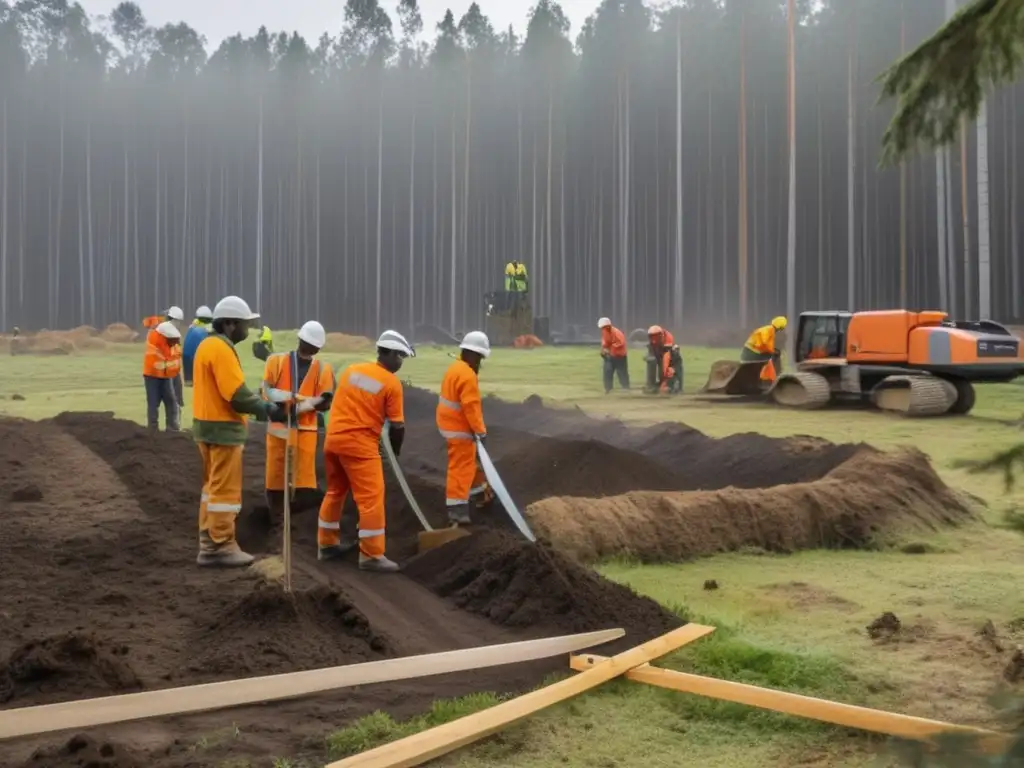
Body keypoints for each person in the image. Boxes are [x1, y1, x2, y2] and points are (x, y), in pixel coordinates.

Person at [191, 295, 287, 568]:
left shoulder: (207, 346)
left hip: (206, 427)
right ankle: (220, 545)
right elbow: (236, 395)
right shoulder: (221, 350)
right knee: (224, 492)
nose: (248, 329)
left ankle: (209, 543)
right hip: (223, 431)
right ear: (231, 324)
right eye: (245, 324)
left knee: (212, 489)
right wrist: (268, 410)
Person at [317, 330, 414, 573]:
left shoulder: (352, 371)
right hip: (360, 445)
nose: (400, 362)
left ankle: (326, 545)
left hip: (333, 440)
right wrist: (395, 453)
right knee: (371, 498)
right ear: (388, 353)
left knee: (335, 491)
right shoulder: (391, 383)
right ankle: (371, 554)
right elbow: (398, 427)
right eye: (400, 356)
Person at [262, 320, 335, 517]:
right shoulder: (276, 362)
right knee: (276, 479)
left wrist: (301, 406)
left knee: (303, 481)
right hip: (279, 430)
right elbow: (266, 391)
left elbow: (325, 400)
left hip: (305, 434)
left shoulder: (323, 369)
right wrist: (289, 400)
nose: (311, 348)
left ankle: (297, 520)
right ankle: (277, 518)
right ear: (300, 340)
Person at [437, 331, 492, 526]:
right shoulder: (467, 375)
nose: (479, 364)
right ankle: (457, 511)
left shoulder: (454, 368)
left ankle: (479, 495)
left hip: (449, 425)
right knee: (461, 467)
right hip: (459, 429)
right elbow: (471, 407)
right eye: (480, 359)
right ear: (474, 355)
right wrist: (480, 431)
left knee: (470, 462)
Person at [142, 321, 183, 431]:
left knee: (170, 401)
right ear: (165, 337)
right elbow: (158, 364)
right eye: (172, 340)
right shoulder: (154, 345)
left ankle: (172, 428)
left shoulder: (171, 345)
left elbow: (176, 359)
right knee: (153, 403)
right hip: (152, 376)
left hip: (166, 376)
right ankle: (153, 429)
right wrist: (171, 365)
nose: (174, 342)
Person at [742, 316, 787, 383]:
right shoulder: (769, 330)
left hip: (751, 351)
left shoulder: (769, 330)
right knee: (768, 360)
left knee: (770, 357)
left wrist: (773, 350)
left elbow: (768, 345)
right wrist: (773, 351)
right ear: (780, 327)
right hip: (752, 352)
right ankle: (769, 379)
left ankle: (768, 378)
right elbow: (765, 343)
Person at [645, 325, 683, 395]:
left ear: (660, 335)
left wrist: (664, 381)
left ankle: (677, 388)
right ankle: (651, 385)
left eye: (656, 337)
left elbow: (666, 360)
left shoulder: (668, 341)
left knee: (673, 372)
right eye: (652, 337)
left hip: (674, 358)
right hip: (661, 356)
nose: (654, 339)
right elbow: (651, 353)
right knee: (655, 365)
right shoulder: (653, 342)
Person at [182, 305, 213, 386]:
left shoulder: (192, 327)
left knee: (190, 382)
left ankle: (189, 382)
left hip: (186, 355)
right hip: (197, 356)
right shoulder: (208, 329)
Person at [598, 317, 629, 394]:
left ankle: (625, 387)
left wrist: (611, 348)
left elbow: (620, 342)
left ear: (608, 326)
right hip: (610, 356)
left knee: (622, 372)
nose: (603, 329)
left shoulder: (616, 332)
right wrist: (604, 349)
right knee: (607, 371)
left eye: (604, 327)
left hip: (620, 356)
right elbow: (605, 342)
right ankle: (608, 388)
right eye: (602, 328)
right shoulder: (605, 332)